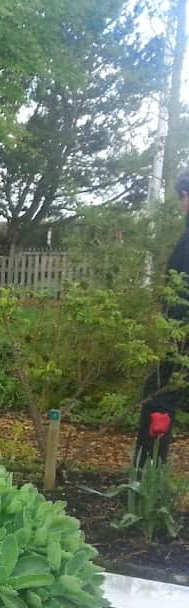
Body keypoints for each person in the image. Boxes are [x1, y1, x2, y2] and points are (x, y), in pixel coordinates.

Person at [134, 168, 189, 466]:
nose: (181, 204)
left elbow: (182, 289)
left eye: (182, 197)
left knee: (159, 395)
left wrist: (173, 334)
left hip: (181, 335)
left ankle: (147, 476)